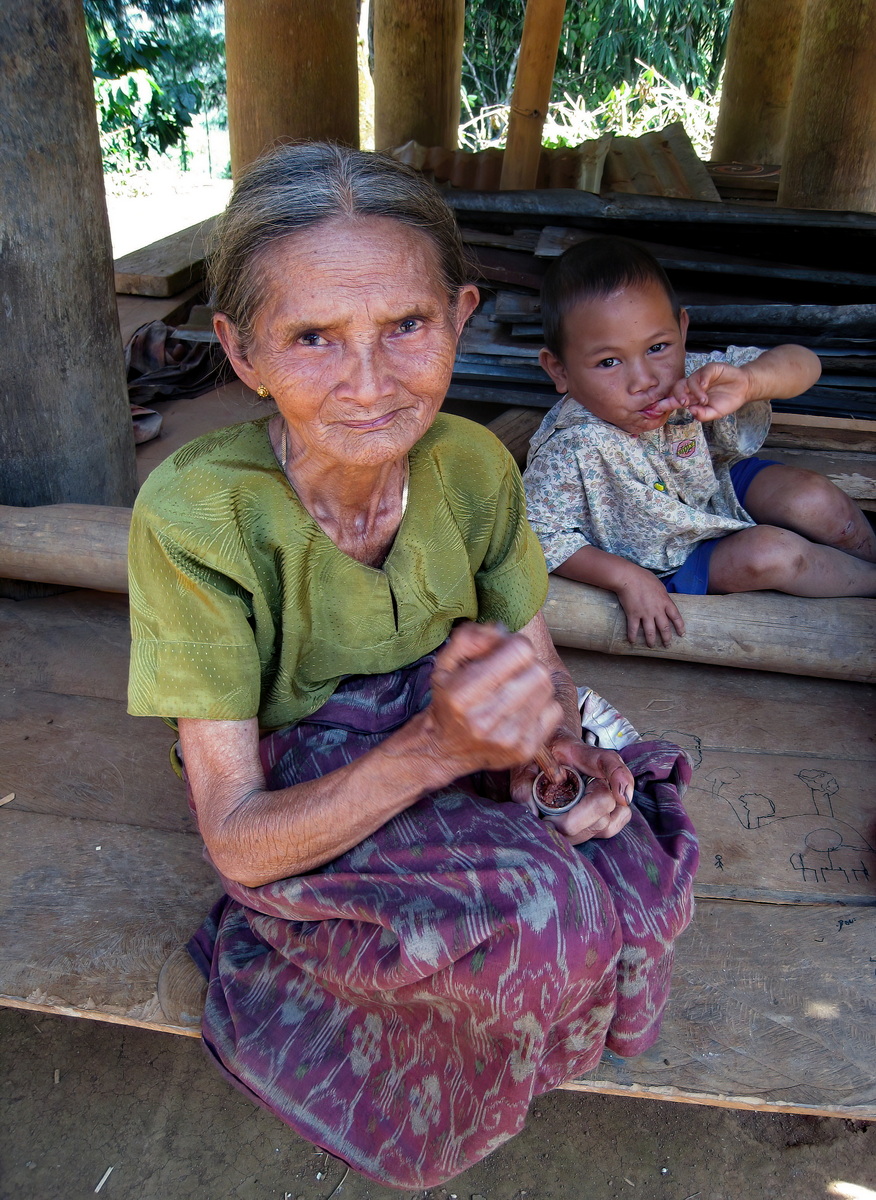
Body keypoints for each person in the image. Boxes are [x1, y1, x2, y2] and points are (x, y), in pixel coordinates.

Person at [127, 146, 697, 1190]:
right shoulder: (193, 516)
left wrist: (549, 754)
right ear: (240, 352)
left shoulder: (474, 467)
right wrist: (439, 748)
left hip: (450, 728)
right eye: (311, 337)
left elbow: (542, 672)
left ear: (462, 315)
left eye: (407, 325)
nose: (370, 382)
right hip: (309, 780)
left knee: (637, 852)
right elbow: (243, 843)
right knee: (543, 925)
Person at [523, 236, 876, 650]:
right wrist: (624, 577)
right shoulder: (570, 447)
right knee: (775, 555)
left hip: (714, 484)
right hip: (665, 554)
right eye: (609, 362)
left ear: (682, 329)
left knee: (813, 498)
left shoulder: (694, 376)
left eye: (658, 347)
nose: (646, 380)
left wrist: (750, 382)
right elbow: (538, 535)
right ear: (559, 369)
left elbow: (805, 362)